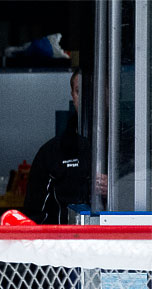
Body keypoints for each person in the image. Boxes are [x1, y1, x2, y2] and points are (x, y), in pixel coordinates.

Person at [23, 68, 104, 224]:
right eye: (80, 91)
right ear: (73, 96)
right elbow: (33, 217)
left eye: (95, 91)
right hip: (65, 244)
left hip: (120, 243)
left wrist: (116, 187)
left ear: (108, 93)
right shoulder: (51, 153)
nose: (88, 99)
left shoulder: (130, 148)